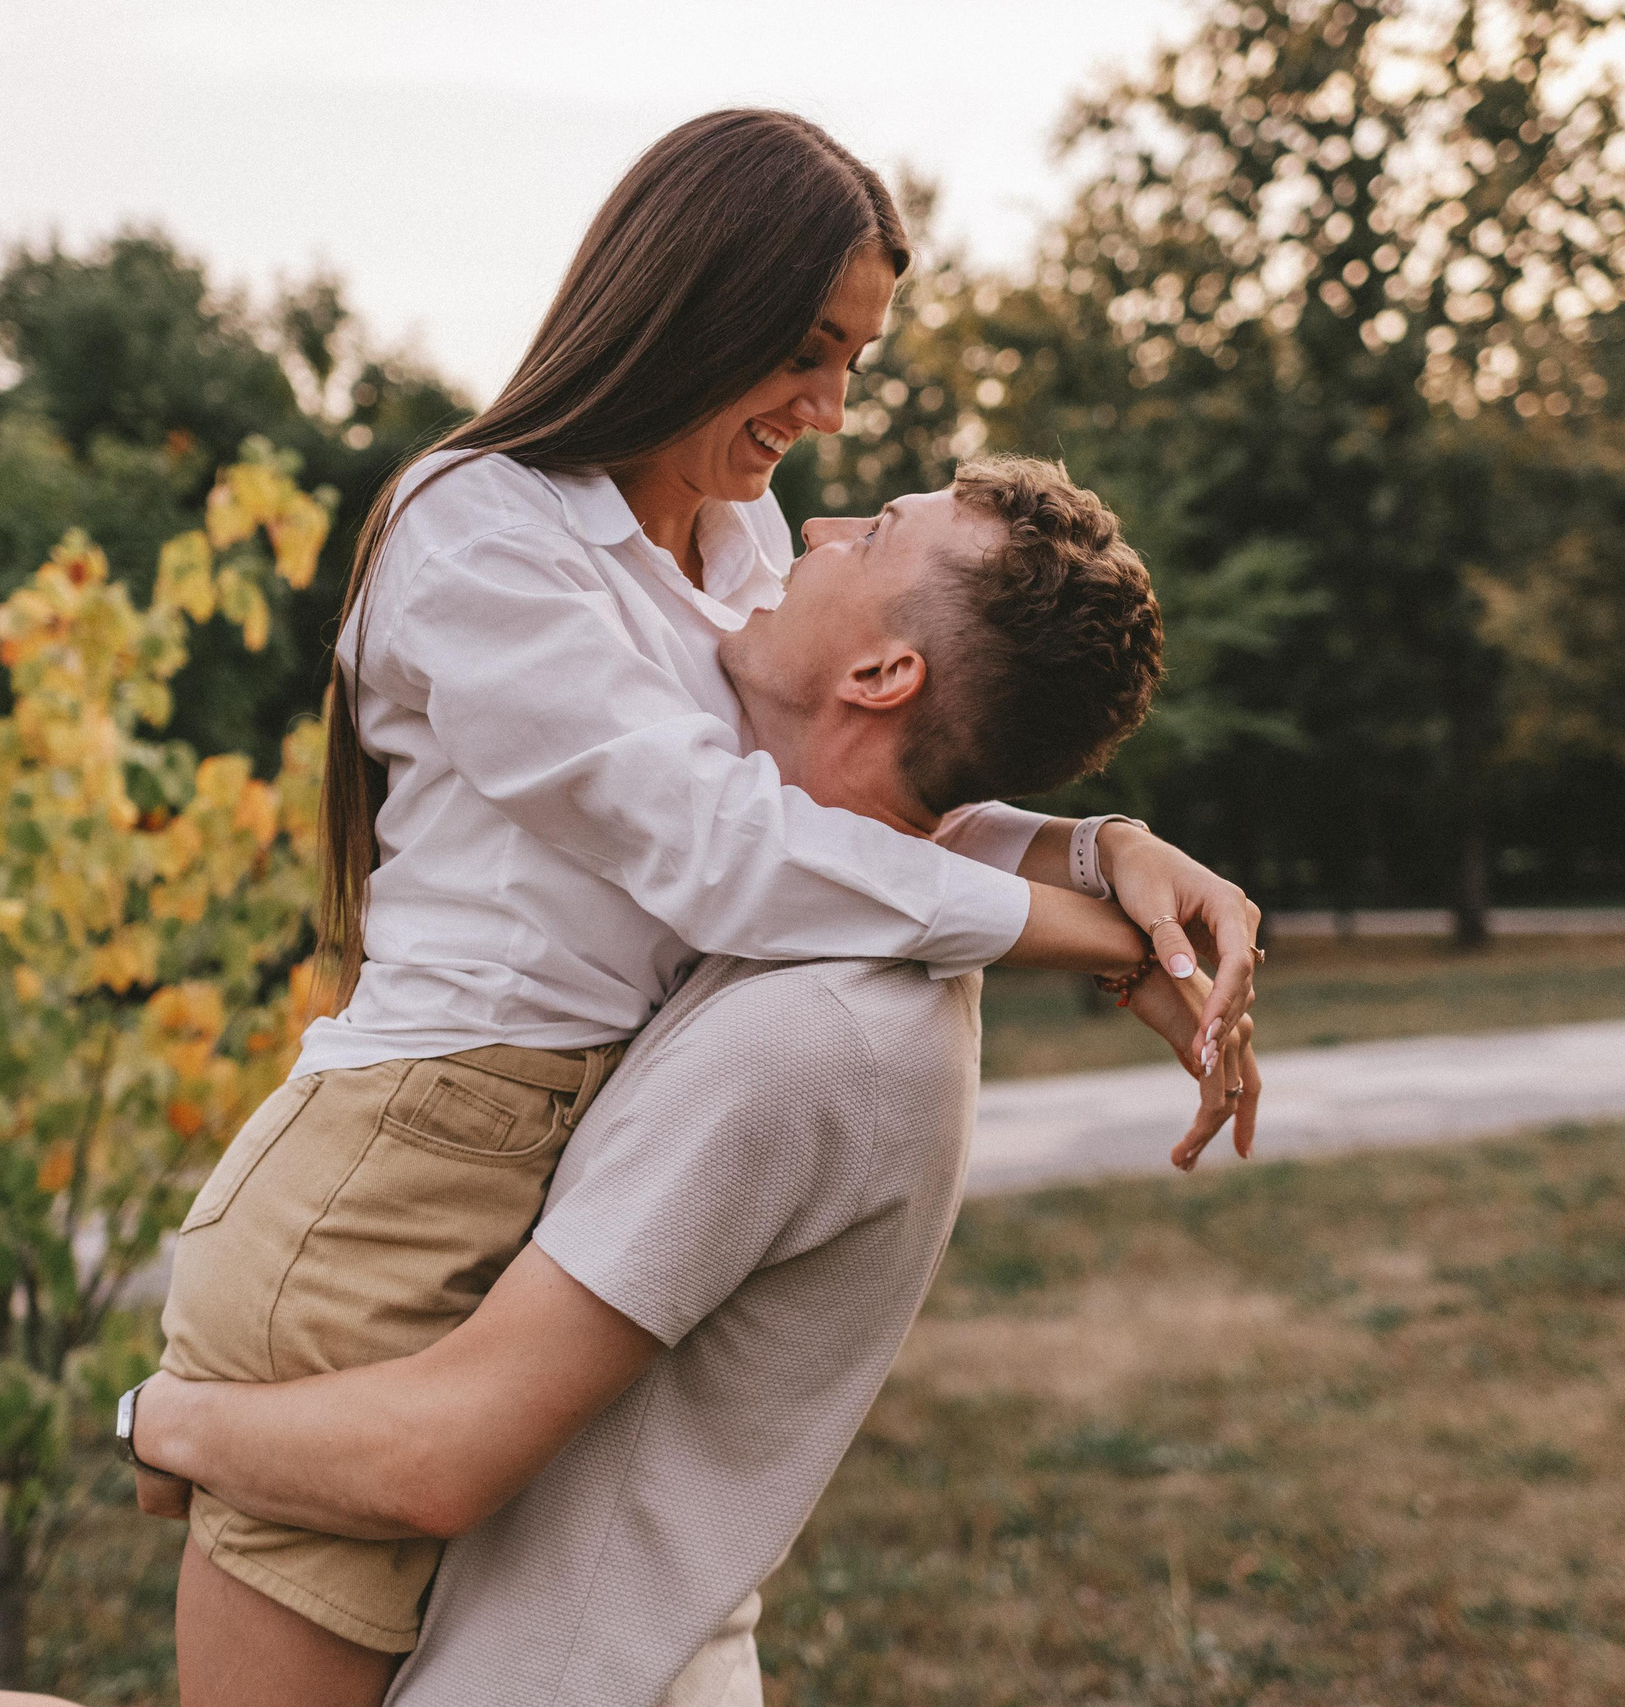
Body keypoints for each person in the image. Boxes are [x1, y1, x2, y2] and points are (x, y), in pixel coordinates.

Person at [0, 457, 1258, 1707]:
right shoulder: (810, 919)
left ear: (887, 676)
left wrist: (159, 1416)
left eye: (874, 535)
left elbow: (439, 1454)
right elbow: (832, 830)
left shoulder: (810, 1031)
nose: (816, 526)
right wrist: (1104, 857)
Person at [150, 106, 1259, 1699]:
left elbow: (835, 794)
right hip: (401, 1177)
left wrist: (1102, 851)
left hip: (542, 1149)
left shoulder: (731, 538)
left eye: (856, 362)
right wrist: (1077, 927)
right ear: (692, 303)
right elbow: (726, 849)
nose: (828, 414)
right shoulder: (478, 530)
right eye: (809, 352)